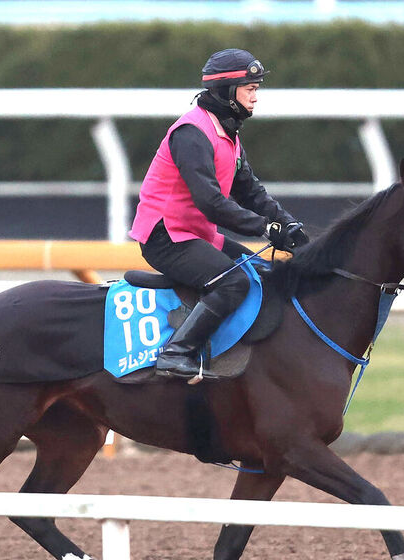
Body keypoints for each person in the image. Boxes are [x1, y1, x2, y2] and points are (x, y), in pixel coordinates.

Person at [129, 48, 308, 381]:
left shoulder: (228, 133)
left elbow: (251, 192)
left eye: (256, 89)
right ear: (228, 91)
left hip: (196, 235)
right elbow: (210, 202)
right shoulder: (191, 134)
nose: (256, 97)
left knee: (261, 273)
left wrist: (289, 225)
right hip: (165, 237)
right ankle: (175, 353)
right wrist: (266, 229)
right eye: (250, 89)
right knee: (234, 282)